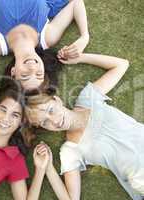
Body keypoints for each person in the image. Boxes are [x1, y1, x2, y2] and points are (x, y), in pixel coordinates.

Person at [25, 53, 144, 200]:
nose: (54, 121)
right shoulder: (70, 151)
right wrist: (48, 168)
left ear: (56, 100)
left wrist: (80, 58)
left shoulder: (88, 98)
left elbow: (121, 65)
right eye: (44, 122)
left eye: (50, 110)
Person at [0, 0, 89, 96]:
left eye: (25, 76)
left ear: (13, 72)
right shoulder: (47, 37)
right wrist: (84, 37)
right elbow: (76, 3)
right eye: (39, 75)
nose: (32, 69)